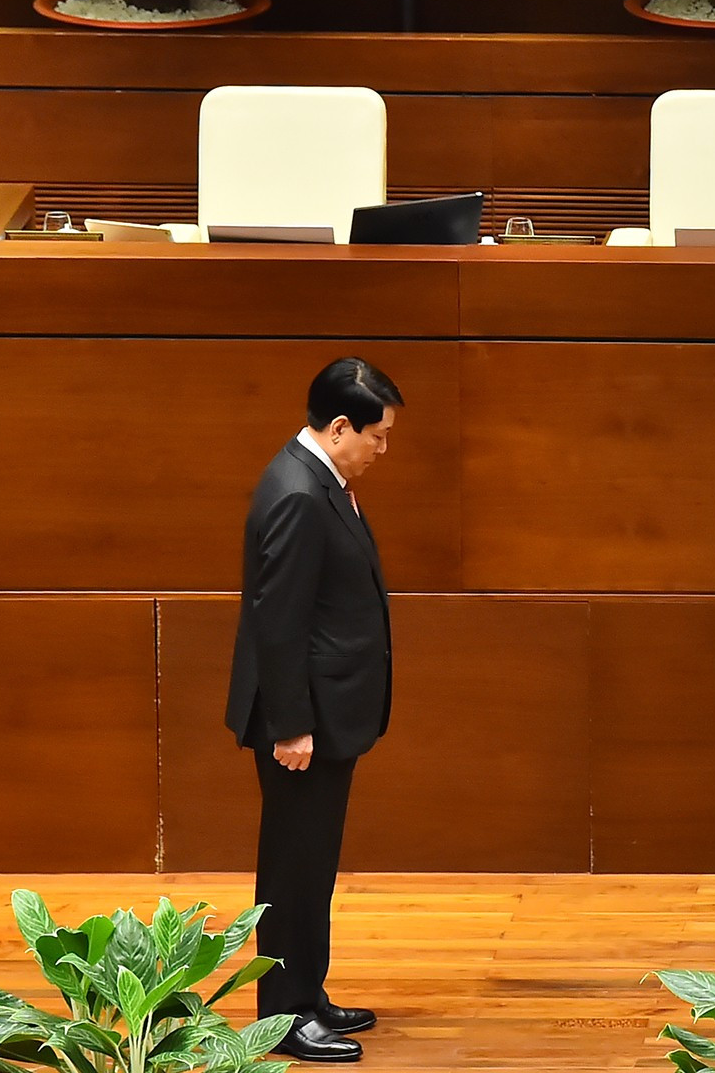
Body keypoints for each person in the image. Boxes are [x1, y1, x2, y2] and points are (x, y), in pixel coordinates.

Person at [225, 358, 404, 1062]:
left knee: (312, 863)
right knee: (293, 867)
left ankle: (308, 993)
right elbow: (279, 618)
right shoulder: (300, 494)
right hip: (303, 721)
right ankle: (285, 1014)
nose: (381, 450)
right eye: (378, 436)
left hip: (326, 713)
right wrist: (291, 723)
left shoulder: (320, 480)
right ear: (339, 428)